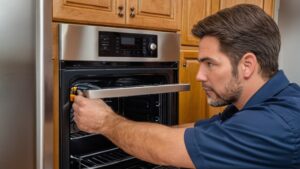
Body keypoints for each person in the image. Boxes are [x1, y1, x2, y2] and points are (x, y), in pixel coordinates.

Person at [72, 4, 300, 168]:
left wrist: (105, 122)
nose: (199, 75)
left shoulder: (273, 126)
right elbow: (195, 131)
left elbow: (170, 148)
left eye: (210, 63)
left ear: (247, 65)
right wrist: (126, 130)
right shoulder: (264, 103)